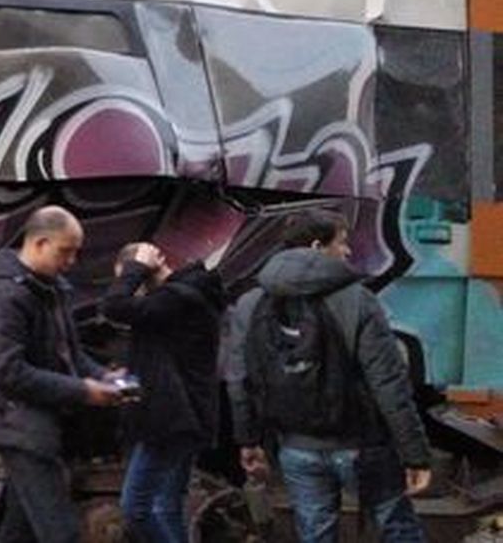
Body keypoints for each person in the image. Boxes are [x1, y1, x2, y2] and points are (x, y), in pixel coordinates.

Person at [226, 209, 432, 543]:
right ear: (317, 245)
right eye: (342, 243)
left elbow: (239, 381)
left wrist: (248, 440)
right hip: (362, 446)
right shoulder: (357, 300)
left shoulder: (251, 303)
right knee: (397, 529)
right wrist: (415, 454)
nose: (347, 252)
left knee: (315, 533)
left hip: (296, 445)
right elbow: (389, 384)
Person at [0, 205, 125, 543]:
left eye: (74, 252)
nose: (71, 261)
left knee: (19, 528)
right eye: (64, 251)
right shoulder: (3, 298)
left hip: (31, 423)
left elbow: (69, 352)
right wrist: (83, 390)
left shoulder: (47, 290)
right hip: (18, 426)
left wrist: (104, 376)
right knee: (61, 531)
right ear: (39, 243)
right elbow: (7, 371)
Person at [101, 241, 226, 543]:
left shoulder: (177, 298)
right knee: (167, 506)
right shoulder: (185, 297)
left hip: (168, 420)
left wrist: (133, 270)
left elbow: (114, 307)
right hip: (187, 415)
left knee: (135, 507)